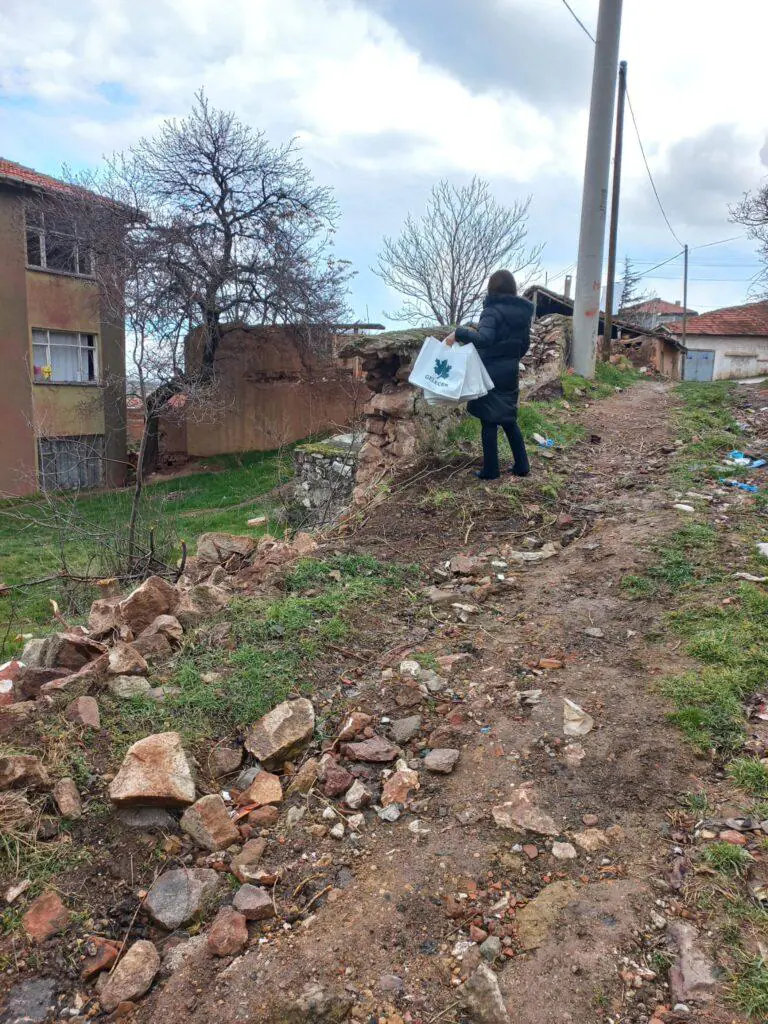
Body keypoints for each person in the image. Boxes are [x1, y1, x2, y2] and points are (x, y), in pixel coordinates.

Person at [444, 269, 534, 480]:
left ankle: (491, 470)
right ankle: (522, 465)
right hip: (510, 370)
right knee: (509, 419)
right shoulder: (522, 314)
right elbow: (525, 345)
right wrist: (510, 358)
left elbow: (484, 338)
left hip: (489, 371)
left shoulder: (492, 311)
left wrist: (459, 332)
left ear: (492, 289)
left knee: (488, 420)